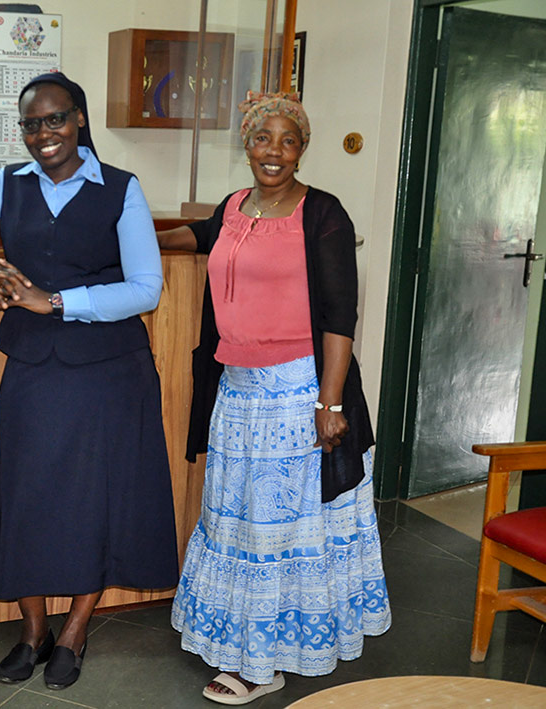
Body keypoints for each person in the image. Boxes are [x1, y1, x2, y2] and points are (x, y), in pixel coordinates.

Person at [0, 72, 179, 691]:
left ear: (80, 120)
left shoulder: (120, 189)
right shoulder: (10, 184)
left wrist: (56, 301)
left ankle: (74, 630)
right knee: (27, 494)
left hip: (110, 371)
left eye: (56, 120)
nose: (44, 135)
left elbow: (145, 288)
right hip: (33, 368)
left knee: (97, 500)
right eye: (32, 124)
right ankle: (32, 630)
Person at [159, 91, 391, 705]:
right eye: (265, 139)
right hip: (237, 395)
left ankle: (265, 665)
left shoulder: (324, 214)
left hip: (298, 393)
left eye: (289, 141)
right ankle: (244, 643)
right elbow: (202, 234)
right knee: (239, 526)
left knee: (282, 533)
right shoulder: (235, 206)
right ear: (247, 144)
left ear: (302, 150)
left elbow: (342, 314)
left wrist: (331, 404)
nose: (275, 152)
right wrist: (140, 238)